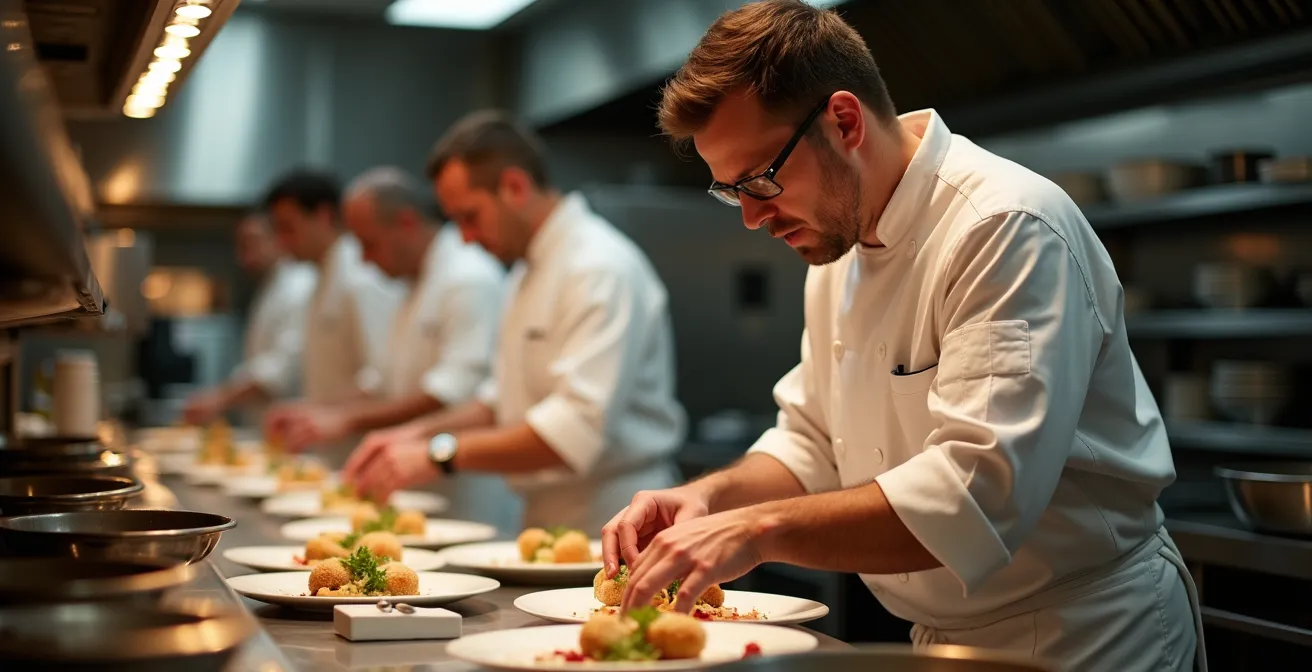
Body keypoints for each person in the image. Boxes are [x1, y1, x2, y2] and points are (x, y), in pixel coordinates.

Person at [599, 3, 1205, 671]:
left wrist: (752, 530)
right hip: (945, 639)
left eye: (760, 179)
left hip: (1087, 637)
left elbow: (974, 494)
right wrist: (709, 498)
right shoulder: (839, 248)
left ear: (845, 121)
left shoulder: (1003, 226)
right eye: (729, 191)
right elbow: (810, 446)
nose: (749, 217)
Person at [343, 111, 687, 533]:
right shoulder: (526, 271)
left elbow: (571, 432)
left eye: (470, 217)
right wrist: (412, 436)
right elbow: (499, 400)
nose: (465, 238)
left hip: (617, 514)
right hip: (546, 516)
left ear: (515, 187)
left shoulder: (598, 266)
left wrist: (440, 452)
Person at [275, 167, 505, 454]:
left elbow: (451, 389)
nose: (364, 259)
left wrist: (347, 419)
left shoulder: (468, 277)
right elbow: (384, 381)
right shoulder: (410, 282)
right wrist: (320, 412)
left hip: (459, 477)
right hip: (415, 466)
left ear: (407, 223)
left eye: (369, 244)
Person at [261, 169, 405, 466]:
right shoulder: (321, 277)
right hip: (334, 452)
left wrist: (331, 416)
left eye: (289, 228)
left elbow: (382, 378)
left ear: (324, 216)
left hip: (364, 450)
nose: (282, 241)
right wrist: (309, 411)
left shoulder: (360, 275)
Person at [182, 213, 316, 427]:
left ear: (278, 238)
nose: (243, 257)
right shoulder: (273, 286)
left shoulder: (298, 286)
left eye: (252, 243)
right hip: (269, 425)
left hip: (290, 425)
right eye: (241, 246)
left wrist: (220, 399)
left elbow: (280, 370)